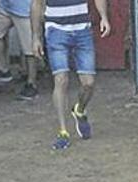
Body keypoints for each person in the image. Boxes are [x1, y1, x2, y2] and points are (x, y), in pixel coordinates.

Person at [32, 0, 110, 150]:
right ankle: (63, 131)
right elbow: (37, 4)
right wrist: (36, 36)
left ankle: (79, 110)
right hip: (56, 29)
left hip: (82, 29)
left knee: (89, 83)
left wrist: (103, 17)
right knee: (60, 79)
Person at [0, 0, 38, 100]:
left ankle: (31, 83)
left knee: (30, 49)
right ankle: (3, 68)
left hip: (25, 9)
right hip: (4, 5)